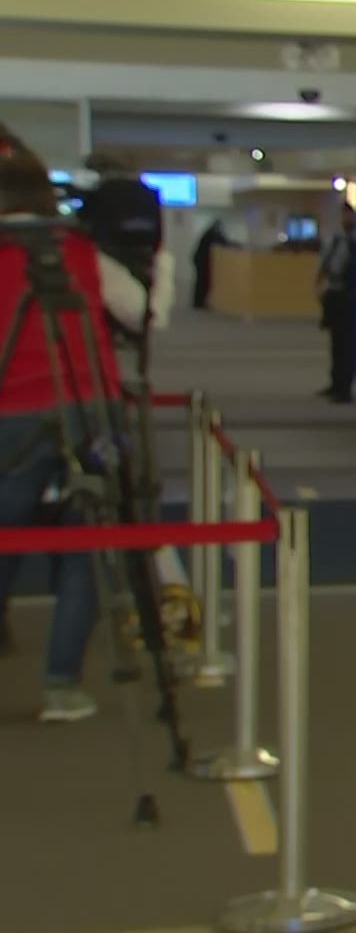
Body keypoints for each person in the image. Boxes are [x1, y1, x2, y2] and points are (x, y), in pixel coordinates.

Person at [0, 130, 147, 722]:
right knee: (89, 541)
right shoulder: (79, 248)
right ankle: (62, 684)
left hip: (12, 410)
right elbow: (136, 306)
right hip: (92, 404)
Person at [314, 201, 356, 403]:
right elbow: (325, 264)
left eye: (349, 215)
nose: (346, 219)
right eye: (344, 215)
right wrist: (318, 285)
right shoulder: (335, 239)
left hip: (351, 297)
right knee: (336, 343)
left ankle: (345, 387)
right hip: (335, 294)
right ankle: (336, 382)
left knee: (347, 344)